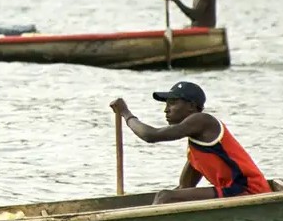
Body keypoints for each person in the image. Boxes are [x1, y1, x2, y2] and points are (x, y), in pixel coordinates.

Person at [109, 81, 270, 205]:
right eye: (166, 104)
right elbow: (184, 186)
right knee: (168, 196)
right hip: (234, 192)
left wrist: (126, 113)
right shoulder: (197, 148)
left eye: (172, 103)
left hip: (249, 191)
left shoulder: (203, 120)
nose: (166, 109)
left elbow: (151, 135)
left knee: (165, 197)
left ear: (192, 106)